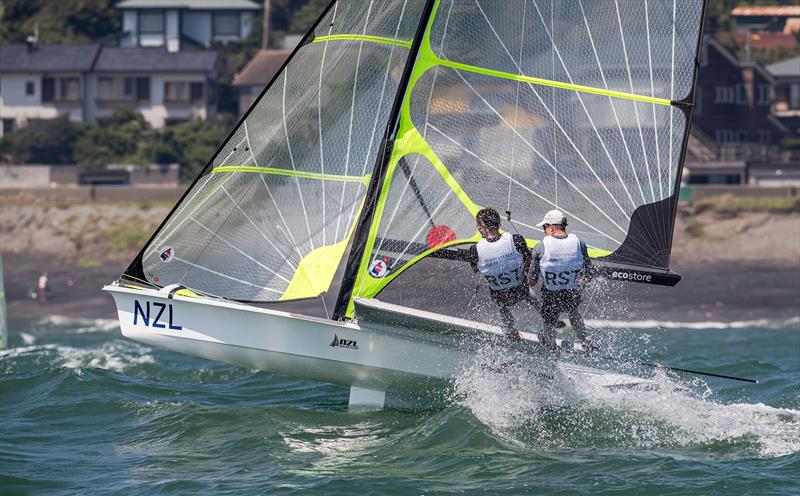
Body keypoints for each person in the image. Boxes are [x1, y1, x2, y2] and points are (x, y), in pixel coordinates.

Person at [529, 209, 597, 352]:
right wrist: (580, 283)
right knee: (573, 311)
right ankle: (585, 341)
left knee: (549, 320)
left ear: (552, 227)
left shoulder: (540, 247)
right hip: (571, 292)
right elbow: (590, 272)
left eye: (544, 228)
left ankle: (551, 346)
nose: (544, 231)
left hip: (551, 294)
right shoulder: (580, 244)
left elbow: (532, 281)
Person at [467, 208, 537, 338]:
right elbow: (528, 258)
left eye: (478, 224)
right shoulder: (516, 240)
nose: (477, 228)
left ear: (483, 227)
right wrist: (525, 271)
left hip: (500, 296)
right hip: (521, 290)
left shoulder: (475, 250)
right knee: (527, 291)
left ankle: (511, 331)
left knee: (501, 305)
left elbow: (475, 269)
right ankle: (548, 317)